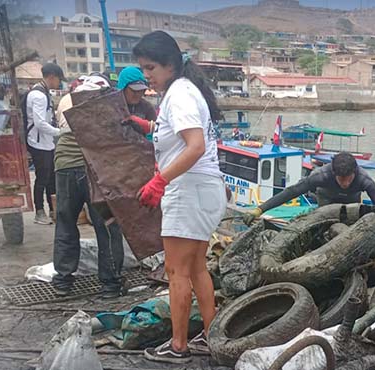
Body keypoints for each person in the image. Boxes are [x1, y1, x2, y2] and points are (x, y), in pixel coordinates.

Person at [134, 31, 227, 363]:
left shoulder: (180, 95)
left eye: (151, 68)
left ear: (170, 65)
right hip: (201, 189)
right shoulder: (181, 91)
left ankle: (178, 346)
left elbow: (195, 146)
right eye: (143, 69)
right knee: (197, 267)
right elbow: (178, 136)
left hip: (189, 190)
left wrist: (159, 181)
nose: (147, 76)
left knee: (177, 272)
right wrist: (146, 127)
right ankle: (210, 336)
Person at [51, 75, 127, 299]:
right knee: (107, 224)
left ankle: (63, 282)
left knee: (65, 222)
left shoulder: (66, 99)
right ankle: (111, 284)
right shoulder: (103, 100)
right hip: (92, 169)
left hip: (64, 165)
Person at [243, 152, 375, 226]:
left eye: (349, 178)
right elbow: (292, 192)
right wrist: (260, 209)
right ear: (333, 174)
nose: (345, 183)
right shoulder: (321, 176)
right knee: (326, 224)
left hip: (351, 200)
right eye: (341, 179)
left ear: (354, 172)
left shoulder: (364, 180)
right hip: (326, 198)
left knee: (350, 224)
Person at [25, 63, 64, 224]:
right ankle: (39, 212)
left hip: (46, 142)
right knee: (42, 178)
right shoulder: (39, 96)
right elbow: (40, 122)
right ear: (51, 77)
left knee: (51, 178)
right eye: (58, 80)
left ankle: (53, 210)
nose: (59, 83)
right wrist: (59, 133)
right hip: (38, 142)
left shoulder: (42, 92)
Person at [117, 66, 157, 139]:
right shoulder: (111, 106)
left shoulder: (147, 107)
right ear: (123, 88)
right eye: (134, 91)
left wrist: (147, 125)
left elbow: (160, 131)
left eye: (141, 90)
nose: (138, 94)